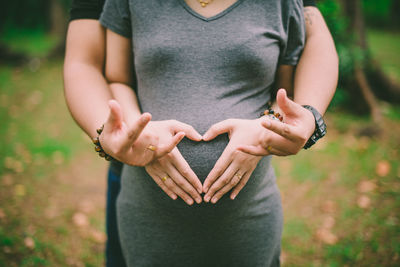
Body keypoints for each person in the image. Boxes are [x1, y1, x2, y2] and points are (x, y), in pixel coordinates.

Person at [63, 0, 337, 266]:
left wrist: (272, 128)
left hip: (249, 218)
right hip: (148, 215)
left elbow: (284, 91)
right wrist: (130, 131)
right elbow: (101, 71)